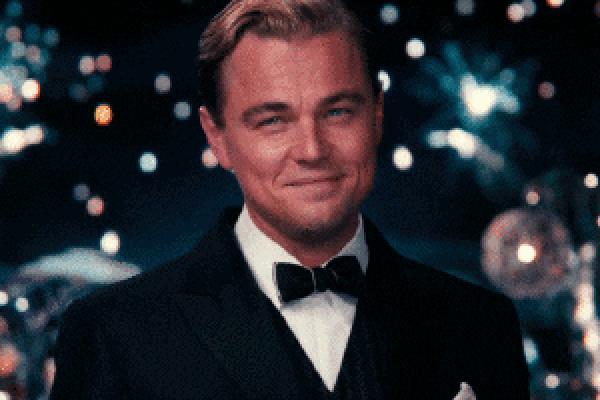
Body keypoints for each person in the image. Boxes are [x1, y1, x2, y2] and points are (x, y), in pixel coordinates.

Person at [49, 0, 530, 399]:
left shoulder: (481, 326)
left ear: (377, 116)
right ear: (217, 137)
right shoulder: (113, 335)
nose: (312, 150)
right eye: (273, 121)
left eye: (338, 112)